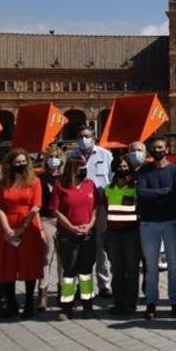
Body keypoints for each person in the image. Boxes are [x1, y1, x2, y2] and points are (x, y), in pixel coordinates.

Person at [136, 135, 176, 320]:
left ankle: (175, 301)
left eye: (161, 147)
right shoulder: (143, 171)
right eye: (154, 148)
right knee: (150, 266)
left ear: (167, 149)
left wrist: (156, 194)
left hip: (170, 222)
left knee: (174, 265)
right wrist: (164, 192)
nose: (158, 150)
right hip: (148, 223)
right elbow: (141, 194)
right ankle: (151, 302)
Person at [0, 148, 44, 319]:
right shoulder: (3, 183)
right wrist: (7, 229)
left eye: (23, 162)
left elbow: (36, 206)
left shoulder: (34, 181)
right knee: (8, 265)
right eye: (17, 162)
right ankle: (11, 303)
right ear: (10, 164)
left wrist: (21, 228)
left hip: (28, 225)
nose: (20, 165)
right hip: (8, 224)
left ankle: (29, 302)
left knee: (29, 264)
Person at [49, 153, 98, 320]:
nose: (84, 170)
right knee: (69, 271)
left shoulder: (90, 185)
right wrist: (70, 227)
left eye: (85, 167)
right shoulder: (60, 187)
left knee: (86, 272)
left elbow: (95, 208)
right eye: (80, 168)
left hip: (87, 234)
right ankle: (67, 307)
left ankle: (87, 305)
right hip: (68, 235)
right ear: (72, 169)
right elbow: (55, 210)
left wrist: (90, 225)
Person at [71, 126, 115, 298]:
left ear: (94, 137)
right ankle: (80, 286)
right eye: (81, 136)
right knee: (80, 247)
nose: (84, 139)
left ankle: (104, 284)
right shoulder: (71, 157)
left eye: (87, 136)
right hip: (80, 208)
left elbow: (111, 179)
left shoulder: (105, 155)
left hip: (102, 206)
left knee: (101, 245)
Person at [104, 146, 143, 316]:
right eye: (119, 167)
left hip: (131, 233)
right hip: (113, 234)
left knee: (132, 269)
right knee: (117, 270)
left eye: (126, 167)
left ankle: (130, 304)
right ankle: (118, 302)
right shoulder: (108, 188)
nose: (122, 169)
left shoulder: (135, 187)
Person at [36, 145, 65, 313]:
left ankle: (63, 292)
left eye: (56, 156)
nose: (53, 159)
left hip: (62, 221)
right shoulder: (41, 179)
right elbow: (38, 203)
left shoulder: (65, 178)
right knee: (46, 257)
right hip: (47, 220)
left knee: (63, 259)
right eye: (50, 156)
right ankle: (43, 295)